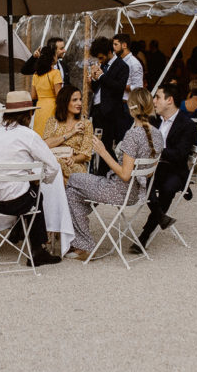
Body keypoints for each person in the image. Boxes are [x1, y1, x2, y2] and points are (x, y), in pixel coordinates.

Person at [64, 88, 163, 260]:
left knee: (72, 179)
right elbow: (147, 172)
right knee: (73, 193)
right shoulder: (157, 134)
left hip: (118, 191)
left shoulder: (133, 135)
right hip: (137, 192)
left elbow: (125, 175)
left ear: (132, 108)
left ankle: (84, 245)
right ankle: (82, 243)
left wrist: (103, 152)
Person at [0, 90, 62, 266]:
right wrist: (41, 179)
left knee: (29, 193)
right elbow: (53, 166)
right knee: (36, 195)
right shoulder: (28, 135)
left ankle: (18, 231)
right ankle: (37, 250)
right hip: (15, 203)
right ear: (29, 114)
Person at [131, 83, 197, 251]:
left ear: (169, 100)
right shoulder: (153, 120)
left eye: (157, 97)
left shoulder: (187, 124)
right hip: (154, 168)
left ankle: (144, 235)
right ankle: (161, 216)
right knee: (142, 178)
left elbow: (180, 154)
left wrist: (156, 148)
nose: (154, 101)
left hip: (175, 170)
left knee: (168, 188)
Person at [89, 36, 128, 170]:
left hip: (110, 112)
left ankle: (112, 172)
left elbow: (118, 88)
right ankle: (102, 172)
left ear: (109, 52)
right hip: (97, 109)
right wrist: (94, 79)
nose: (99, 60)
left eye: (101, 57)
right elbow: (96, 89)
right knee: (97, 144)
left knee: (106, 145)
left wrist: (102, 77)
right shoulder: (102, 65)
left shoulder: (122, 66)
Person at [42, 84, 94, 182]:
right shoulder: (53, 121)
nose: (79, 103)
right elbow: (45, 144)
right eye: (75, 100)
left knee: (56, 170)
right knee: (54, 166)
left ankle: (59, 196)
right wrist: (71, 132)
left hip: (74, 165)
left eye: (80, 99)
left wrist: (73, 159)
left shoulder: (86, 124)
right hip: (54, 162)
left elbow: (85, 154)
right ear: (65, 102)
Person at [30, 45, 63, 137]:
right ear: (52, 57)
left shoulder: (36, 75)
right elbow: (59, 95)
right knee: (51, 136)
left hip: (39, 108)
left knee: (39, 135)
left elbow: (33, 96)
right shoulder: (55, 73)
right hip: (52, 107)